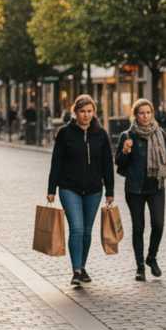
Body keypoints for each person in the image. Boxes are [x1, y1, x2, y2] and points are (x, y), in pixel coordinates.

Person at [47, 94, 115, 288]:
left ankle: (82, 267)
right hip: (69, 188)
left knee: (86, 231)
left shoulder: (101, 134)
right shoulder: (64, 133)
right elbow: (56, 162)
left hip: (94, 190)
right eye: (82, 111)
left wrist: (110, 190)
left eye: (89, 111)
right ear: (75, 113)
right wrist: (51, 189)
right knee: (76, 228)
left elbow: (107, 164)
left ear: (94, 112)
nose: (86, 115)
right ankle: (76, 270)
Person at [115, 98, 166, 281]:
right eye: (141, 113)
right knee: (138, 227)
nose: (145, 116)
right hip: (135, 189)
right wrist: (125, 151)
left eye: (148, 112)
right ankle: (140, 266)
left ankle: (151, 257)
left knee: (158, 224)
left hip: (156, 185)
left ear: (152, 114)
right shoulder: (127, 135)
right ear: (136, 115)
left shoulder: (160, 133)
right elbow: (119, 162)